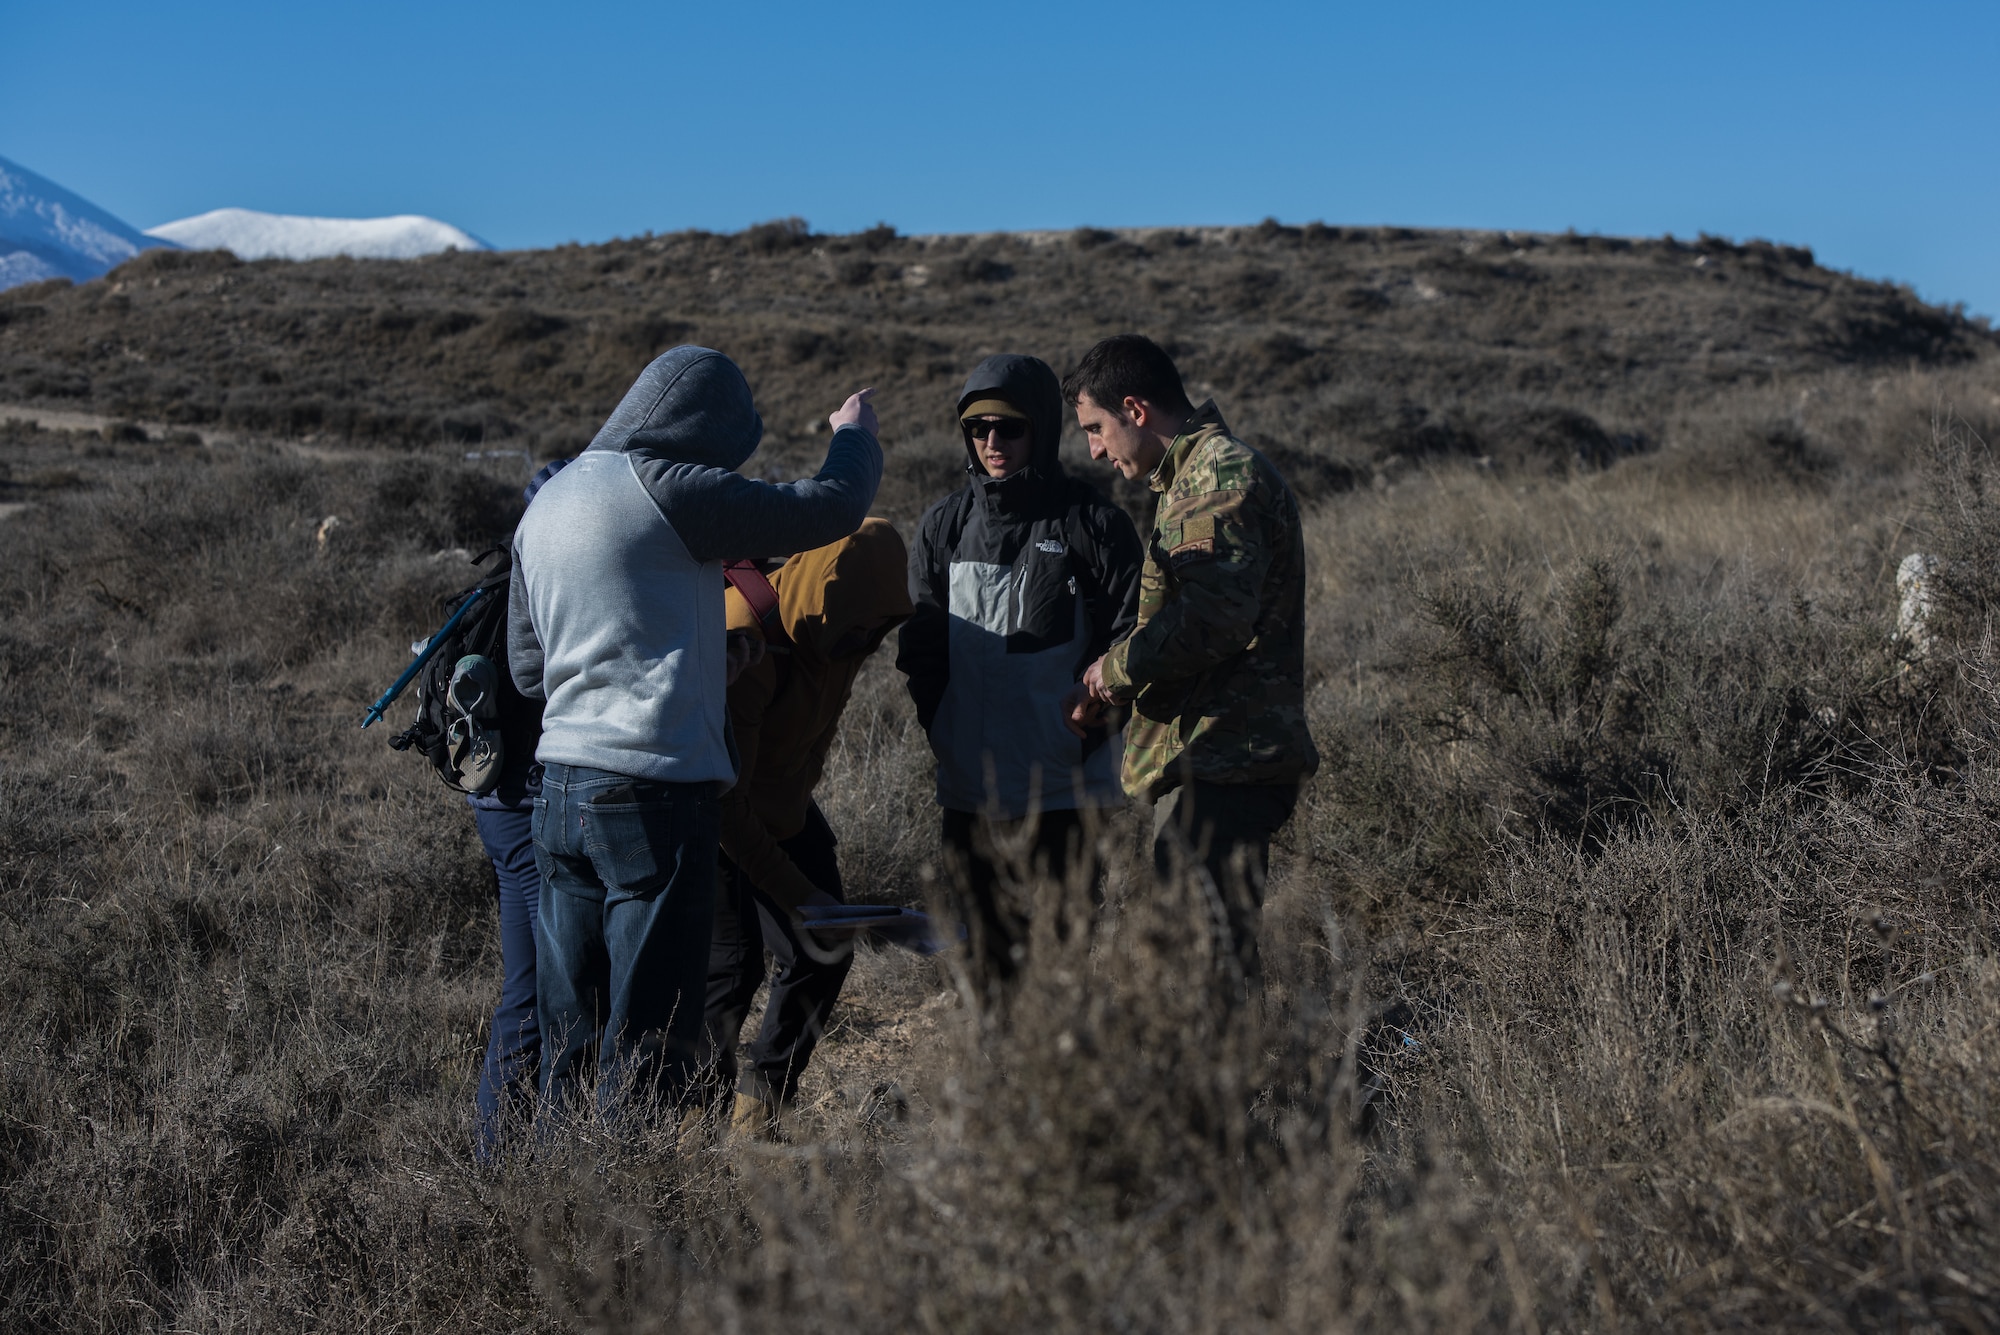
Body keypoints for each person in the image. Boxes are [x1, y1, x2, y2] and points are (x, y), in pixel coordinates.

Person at [508, 346, 881, 1115]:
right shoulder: (672, 488)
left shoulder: (548, 502)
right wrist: (855, 432)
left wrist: (700, 658)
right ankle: (633, 1220)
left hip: (558, 796)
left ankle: (555, 1207)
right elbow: (834, 506)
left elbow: (527, 671)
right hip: (651, 795)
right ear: (702, 429)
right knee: (650, 1041)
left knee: (570, 1037)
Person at [1060, 334, 1319, 996]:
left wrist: (1112, 672)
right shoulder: (1194, 480)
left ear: (1135, 409)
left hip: (1224, 759)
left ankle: (1233, 1100)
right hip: (1209, 759)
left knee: (1202, 974)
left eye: (1096, 428)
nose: (1093, 448)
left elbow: (1212, 618)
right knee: (1208, 964)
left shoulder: (1217, 478)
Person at [896, 354, 1143, 1011]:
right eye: (978, 428)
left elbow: (1131, 641)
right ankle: (995, 1093)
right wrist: (945, 729)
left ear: (1042, 427)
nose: (992, 443)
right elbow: (921, 651)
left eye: (1009, 428)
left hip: (1067, 792)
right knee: (980, 968)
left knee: (1063, 964)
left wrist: (1082, 735)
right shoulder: (943, 527)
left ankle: (1059, 1100)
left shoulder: (1093, 526)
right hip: (970, 791)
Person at [704, 519, 913, 1139]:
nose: (867, 645)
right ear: (826, 600)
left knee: (826, 947)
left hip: (781, 803)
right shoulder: (746, 638)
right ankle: (692, 1122)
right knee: (730, 968)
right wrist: (800, 896)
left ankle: (759, 1108)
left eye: (878, 630)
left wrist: (814, 902)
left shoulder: (845, 627)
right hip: (713, 813)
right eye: (859, 630)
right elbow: (725, 807)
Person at [470, 457, 567, 1161]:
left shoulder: (504, 582)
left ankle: (503, 1152)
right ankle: (503, 1161)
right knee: (537, 991)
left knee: (530, 985)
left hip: (498, 801)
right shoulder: (546, 592)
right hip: (525, 802)